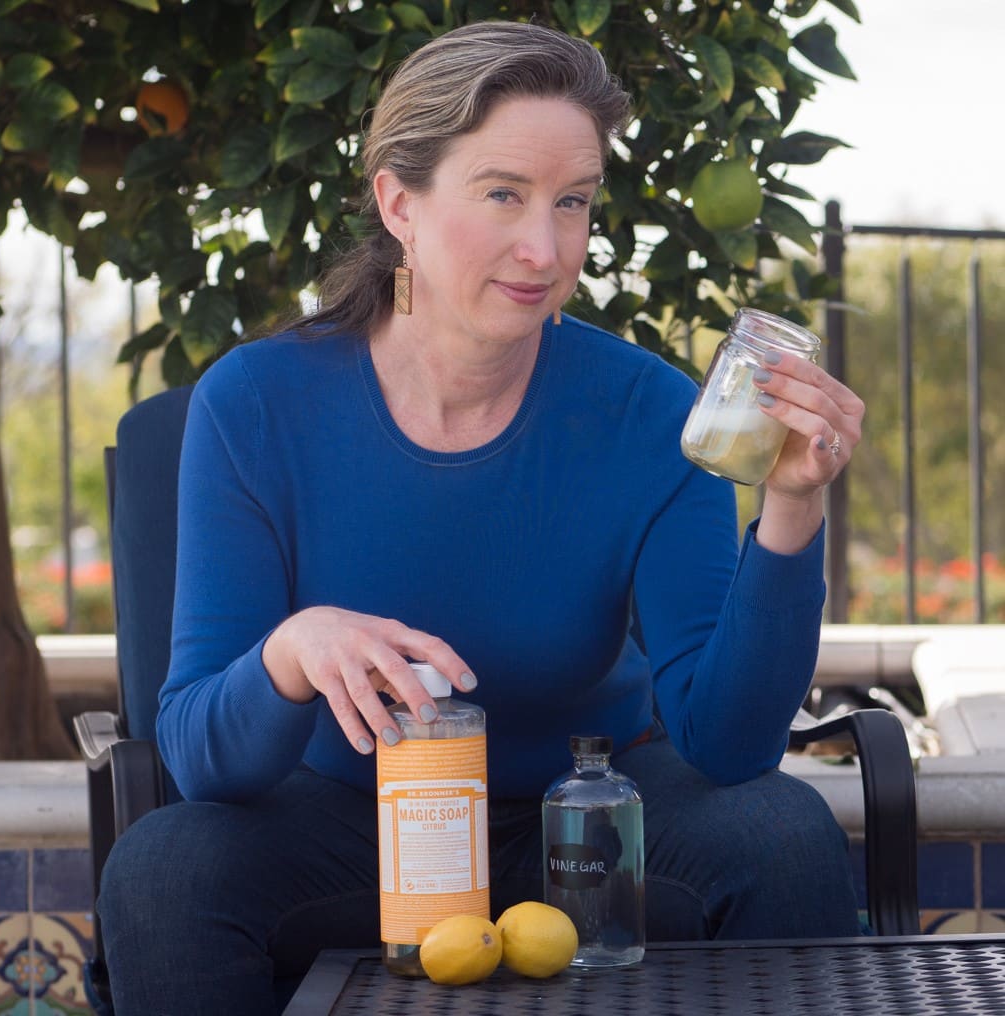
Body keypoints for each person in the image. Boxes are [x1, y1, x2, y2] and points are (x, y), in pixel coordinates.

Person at [98, 19, 866, 1015]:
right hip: (350, 821)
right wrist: (292, 650)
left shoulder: (646, 412)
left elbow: (727, 745)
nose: (544, 249)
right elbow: (201, 755)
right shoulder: (255, 402)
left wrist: (792, 504)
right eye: (502, 193)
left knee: (780, 833)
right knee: (164, 867)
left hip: (589, 811)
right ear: (398, 201)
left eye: (572, 203)